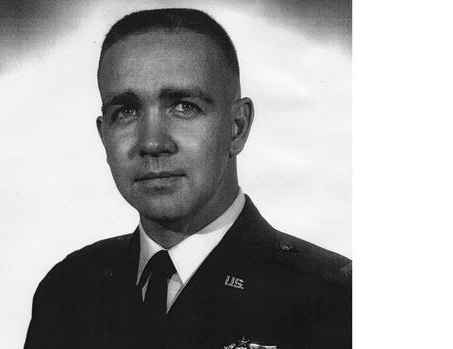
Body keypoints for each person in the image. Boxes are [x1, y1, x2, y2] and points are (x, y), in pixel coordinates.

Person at [24, 8, 351, 349]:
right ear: (104, 135)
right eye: (126, 111)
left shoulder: (331, 301)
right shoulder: (68, 291)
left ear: (236, 127)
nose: (152, 142)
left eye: (184, 107)